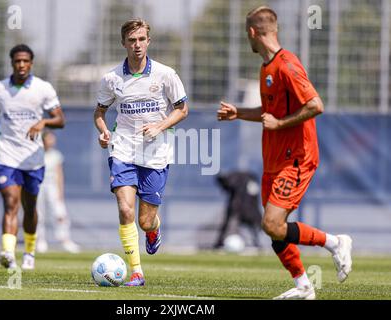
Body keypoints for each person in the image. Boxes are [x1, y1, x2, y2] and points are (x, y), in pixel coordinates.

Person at [217, 6, 352, 300]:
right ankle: (304, 287)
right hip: (274, 159)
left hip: (297, 158)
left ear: (253, 33)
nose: (247, 40)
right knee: (274, 229)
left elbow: (316, 105)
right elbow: (269, 112)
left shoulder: (288, 65)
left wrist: (279, 123)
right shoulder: (266, 68)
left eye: (247, 34)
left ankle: (335, 242)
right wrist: (238, 112)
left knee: (272, 224)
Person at [94, 19, 189, 286]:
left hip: (156, 155)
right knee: (125, 209)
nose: (137, 45)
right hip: (122, 149)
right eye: (131, 40)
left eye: (141, 39)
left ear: (149, 41)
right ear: (123, 42)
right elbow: (99, 112)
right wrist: (103, 131)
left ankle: (153, 230)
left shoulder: (165, 74)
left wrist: (160, 125)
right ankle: (136, 272)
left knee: (145, 221)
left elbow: (182, 109)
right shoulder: (111, 78)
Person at [0, 44, 65, 270]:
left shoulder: (43, 88)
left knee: (29, 208)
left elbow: (60, 120)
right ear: (12, 63)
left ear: (31, 63)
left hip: (33, 158)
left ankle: (29, 252)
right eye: (17, 61)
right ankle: (8, 253)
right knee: (10, 201)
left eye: (25, 61)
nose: (21, 65)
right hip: (7, 156)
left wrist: (44, 122)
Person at [36, 130, 81, 254]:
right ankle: (40, 241)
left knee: (59, 213)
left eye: (52, 139)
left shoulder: (56, 155)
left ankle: (64, 240)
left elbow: (59, 174)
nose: (51, 141)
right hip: (39, 185)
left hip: (52, 186)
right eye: (49, 138)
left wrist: (60, 191)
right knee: (38, 214)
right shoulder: (36, 154)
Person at [213, 171, 262, 250]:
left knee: (235, 225)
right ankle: (220, 244)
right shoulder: (250, 179)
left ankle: (257, 244)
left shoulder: (239, 179)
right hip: (249, 211)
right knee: (232, 226)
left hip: (243, 210)